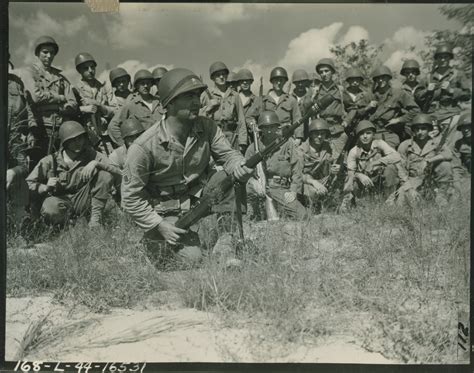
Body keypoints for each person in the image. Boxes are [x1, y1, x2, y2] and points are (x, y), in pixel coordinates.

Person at [121, 68, 252, 267]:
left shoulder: (207, 126)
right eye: (188, 96)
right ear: (169, 103)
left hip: (197, 199)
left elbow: (228, 155)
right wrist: (160, 225)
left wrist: (239, 166)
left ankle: (226, 245)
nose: (197, 102)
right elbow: (130, 198)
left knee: (229, 177)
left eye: (198, 95)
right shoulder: (143, 146)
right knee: (192, 258)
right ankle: (148, 245)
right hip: (164, 211)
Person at [26, 121, 117, 228]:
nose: (78, 142)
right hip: (60, 200)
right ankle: (70, 223)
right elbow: (28, 184)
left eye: (80, 138)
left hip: (83, 199)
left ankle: (95, 220)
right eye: (73, 140)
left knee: (104, 175)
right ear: (65, 142)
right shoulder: (50, 161)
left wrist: (96, 163)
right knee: (50, 209)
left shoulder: (91, 154)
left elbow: (116, 169)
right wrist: (44, 187)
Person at [21, 35, 78, 166]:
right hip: (39, 127)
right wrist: (60, 98)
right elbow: (36, 97)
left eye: (52, 53)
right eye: (45, 52)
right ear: (37, 53)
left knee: (59, 165)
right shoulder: (29, 72)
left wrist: (61, 107)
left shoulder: (60, 78)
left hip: (60, 127)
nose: (49, 56)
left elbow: (73, 103)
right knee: (38, 166)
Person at [245, 111, 307, 221]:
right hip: (259, 188)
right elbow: (245, 170)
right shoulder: (253, 148)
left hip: (280, 188)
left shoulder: (287, 143)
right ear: (261, 129)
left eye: (272, 127)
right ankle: (254, 214)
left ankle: (277, 211)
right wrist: (253, 182)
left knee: (302, 215)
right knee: (248, 193)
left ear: (277, 127)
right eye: (265, 127)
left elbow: (296, 169)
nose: (269, 131)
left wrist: (293, 191)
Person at [341, 120, 402, 211]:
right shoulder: (354, 151)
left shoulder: (379, 143)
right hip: (365, 183)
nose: (365, 136)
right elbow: (350, 174)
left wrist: (375, 163)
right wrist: (360, 175)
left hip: (380, 180)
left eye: (368, 133)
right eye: (362, 134)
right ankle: (357, 202)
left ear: (373, 134)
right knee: (352, 181)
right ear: (358, 136)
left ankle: (389, 200)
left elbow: (397, 156)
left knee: (391, 168)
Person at [396, 113, 453, 206]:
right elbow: (400, 169)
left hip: (431, 180)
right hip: (412, 180)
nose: (420, 132)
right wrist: (409, 188)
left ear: (429, 130)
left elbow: (448, 154)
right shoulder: (405, 145)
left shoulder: (436, 143)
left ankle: (441, 196)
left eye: (423, 129)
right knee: (403, 204)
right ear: (413, 130)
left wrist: (428, 161)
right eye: (417, 129)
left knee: (445, 165)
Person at [302, 59, 347, 159]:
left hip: (337, 132)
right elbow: (305, 107)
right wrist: (313, 95)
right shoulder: (315, 89)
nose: (324, 74)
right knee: (321, 162)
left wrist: (347, 120)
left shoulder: (340, 90)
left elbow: (353, 107)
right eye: (321, 72)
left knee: (337, 162)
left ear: (332, 72)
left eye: (326, 71)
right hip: (320, 133)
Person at [366, 65, 420, 149]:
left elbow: (415, 110)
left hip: (389, 133)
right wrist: (367, 107)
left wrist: (399, 120)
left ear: (388, 78)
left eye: (383, 77)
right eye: (378, 78)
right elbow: (358, 111)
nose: (380, 80)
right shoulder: (370, 95)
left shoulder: (398, 93)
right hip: (372, 133)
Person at [246, 67, 303, 144]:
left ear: (285, 82)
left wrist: (298, 138)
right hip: (267, 139)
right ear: (272, 81)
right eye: (276, 80)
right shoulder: (262, 100)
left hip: (286, 138)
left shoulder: (291, 100)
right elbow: (249, 116)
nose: (279, 83)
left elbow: (298, 119)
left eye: (281, 80)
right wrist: (255, 127)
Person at [199, 61, 247, 152]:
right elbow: (197, 116)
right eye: (218, 75)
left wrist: (242, 142)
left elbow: (241, 120)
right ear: (212, 78)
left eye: (223, 74)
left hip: (232, 138)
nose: (221, 77)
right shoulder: (206, 95)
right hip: (213, 137)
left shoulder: (235, 95)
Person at [7, 56, 32, 229]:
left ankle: (19, 222)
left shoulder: (16, 84)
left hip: (13, 136)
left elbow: (26, 110)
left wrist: (13, 171)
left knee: (19, 172)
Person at [108, 69, 163, 146]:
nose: (146, 86)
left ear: (151, 84)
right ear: (136, 85)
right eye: (142, 83)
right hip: (144, 147)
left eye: (148, 83)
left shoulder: (159, 102)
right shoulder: (131, 104)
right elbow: (112, 127)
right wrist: (125, 146)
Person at [73, 52, 115, 150]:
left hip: (105, 133)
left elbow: (115, 110)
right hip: (86, 135)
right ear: (79, 70)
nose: (91, 71)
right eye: (86, 68)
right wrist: (83, 109)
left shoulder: (104, 88)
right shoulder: (75, 89)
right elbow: (71, 110)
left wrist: (100, 106)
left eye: (92, 67)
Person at [298, 119, 338, 209]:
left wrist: (335, 168)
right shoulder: (301, 150)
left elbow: (335, 160)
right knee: (312, 192)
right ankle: (313, 208)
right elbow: (298, 174)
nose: (319, 136)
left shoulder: (329, 146)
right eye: (316, 133)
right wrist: (314, 182)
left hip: (325, 180)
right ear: (311, 134)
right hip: (308, 183)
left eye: (322, 133)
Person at [424, 43, 471, 114]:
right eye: (440, 57)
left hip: (451, 113)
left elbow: (467, 95)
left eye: (445, 57)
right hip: (431, 114)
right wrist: (427, 91)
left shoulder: (457, 74)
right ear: (436, 59)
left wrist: (451, 90)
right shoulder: (428, 76)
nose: (443, 60)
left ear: (449, 58)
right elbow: (418, 95)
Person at [108, 118, 145, 203]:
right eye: (131, 138)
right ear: (124, 139)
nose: (136, 140)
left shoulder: (150, 150)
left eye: (138, 136)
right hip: (127, 194)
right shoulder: (116, 156)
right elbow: (113, 183)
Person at [291, 69, 311, 140]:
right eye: (297, 82)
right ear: (294, 83)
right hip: (294, 131)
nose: (300, 85)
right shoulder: (290, 98)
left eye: (302, 82)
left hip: (309, 129)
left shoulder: (311, 96)